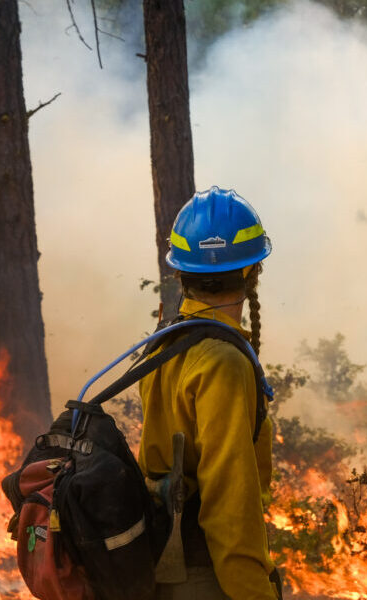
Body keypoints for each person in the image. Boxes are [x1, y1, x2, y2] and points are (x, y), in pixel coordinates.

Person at [137, 186, 279, 600]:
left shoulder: (166, 344)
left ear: (181, 273)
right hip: (207, 575)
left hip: (162, 568)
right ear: (253, 271)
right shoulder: (223, 361)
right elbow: (228, 503)